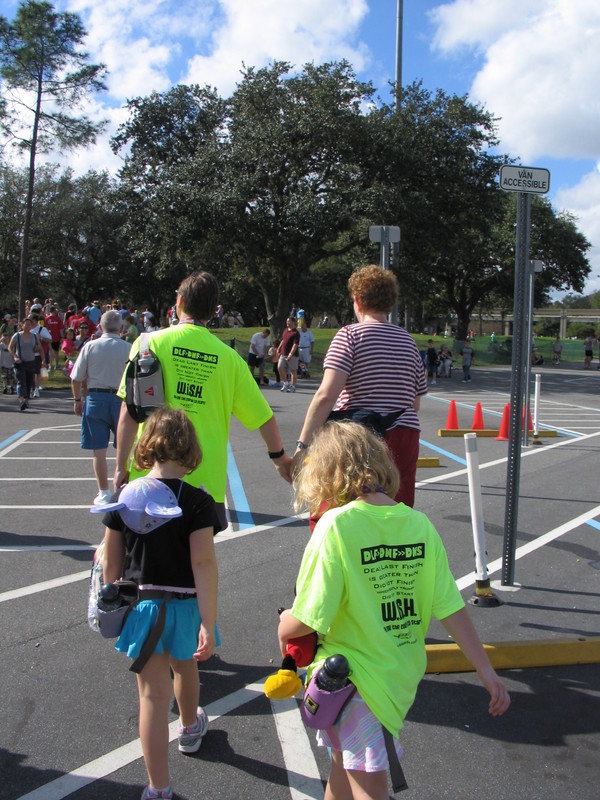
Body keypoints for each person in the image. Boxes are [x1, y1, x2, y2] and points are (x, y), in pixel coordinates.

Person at [278, 421, 510, 800]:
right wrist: (487, 671)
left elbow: (306, 618)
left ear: (326, 475)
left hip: (354, 684)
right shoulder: (419, 525)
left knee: (369, 788)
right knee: (343, 769)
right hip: (395, 678)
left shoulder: (336, 525)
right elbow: (451, 608)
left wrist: (282, 626)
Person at [101, 407, 223, 800]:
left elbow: (111, 560)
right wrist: (209, 619)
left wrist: (111, 599)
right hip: (186, 606)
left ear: (146, 445)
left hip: (141, 606)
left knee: (152, 696)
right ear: (189, 447)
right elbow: (203, 562)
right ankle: (189, 728)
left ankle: (158, 789)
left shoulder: (126, 497)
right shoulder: (198, 501)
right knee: (185, 666)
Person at [114, 271, 292, 529]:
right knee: (197, 564)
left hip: (150, 477)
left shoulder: (147, 344)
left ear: (180, 302)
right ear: (213, 311)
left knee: (145, 563)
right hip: (205, 484)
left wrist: (121, 467)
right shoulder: (229, 359)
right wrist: (280, 459)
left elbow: (129, 412)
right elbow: (263, 417)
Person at [294, 264, 427, 515]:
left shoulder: (350, 336)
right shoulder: (408, 341)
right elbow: (415, 403)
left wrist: (303, 445)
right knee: (396, 511)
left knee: (343, 510)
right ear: (390, 302)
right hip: (404, 432)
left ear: (358, 300)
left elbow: (325, 396)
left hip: (360, 438)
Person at [71, 310, 132, 505]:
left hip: (96, 397)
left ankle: (103, 492)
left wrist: (77, 399)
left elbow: (76, 377)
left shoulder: (90, 346)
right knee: (125, 447)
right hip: (121, 398)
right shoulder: (129, 348)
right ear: (121, 328)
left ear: (99, 327)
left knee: (99, 450)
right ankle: (123, 488)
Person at [9, 317, 42, 411]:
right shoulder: (17, 336)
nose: (28, 326)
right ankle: (22, 400)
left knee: (29, 382)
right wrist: (15, 357)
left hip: (31, 362)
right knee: (21, 381)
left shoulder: (34, 336)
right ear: (22, 325)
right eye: (26, 324)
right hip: (20, 362)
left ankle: (26, 399)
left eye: (29, 324)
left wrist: (38, 342)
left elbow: (38, 348)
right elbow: (10, 347)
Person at [277, 316, 300, 393]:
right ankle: (286, 383)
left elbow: (295, 345)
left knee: (293, 370)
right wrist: (279, 348)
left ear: (293, 322)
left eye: (289, 321)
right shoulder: (285, 330)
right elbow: (283, 340)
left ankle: (293, 386)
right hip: (283, 354)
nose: (287, 323)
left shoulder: (296, 333)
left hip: (292, 355)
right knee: (280, 367)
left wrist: (290, 354)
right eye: (287, 321)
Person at [44, 305, 64, 370]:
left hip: (48, 337)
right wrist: (62, 337)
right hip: (56, 338)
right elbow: (60, 329)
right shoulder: (58, 319)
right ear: (55, 311)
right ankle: (57, 365)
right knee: (56, 352)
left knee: (50, 352)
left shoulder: (46, 319)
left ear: (49, 311)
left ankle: (50, 366)